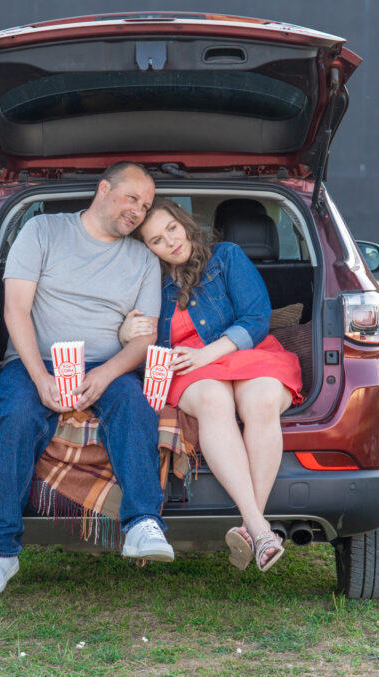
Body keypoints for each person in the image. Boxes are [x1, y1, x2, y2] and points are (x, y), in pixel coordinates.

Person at [0, 162, 174, 599]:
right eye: (132, 198)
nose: (139, 211)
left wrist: (105, 374)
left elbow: (145, 339)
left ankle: (143, 524)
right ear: (103, 190)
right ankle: (0, 551)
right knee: (19, 417)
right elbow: (16, 311)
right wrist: (41, 376)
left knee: (135, 406)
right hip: (35, 361)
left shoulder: (143, 258)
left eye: (146, 205)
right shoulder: (43, 231)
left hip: (108, 362)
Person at [120, 198, 302, 572]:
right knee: (215, 403)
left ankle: (253, 525)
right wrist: (125, 333)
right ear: (147, 249)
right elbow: (138, 338)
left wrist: (211, 353)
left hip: (242, 350)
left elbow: (256, 317)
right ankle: (262, 530)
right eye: (156, 240)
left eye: (171, 228)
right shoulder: (146, 281)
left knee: (264, 401)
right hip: (187, 367)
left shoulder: (227, 257)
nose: (169, 242)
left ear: (185, 223)